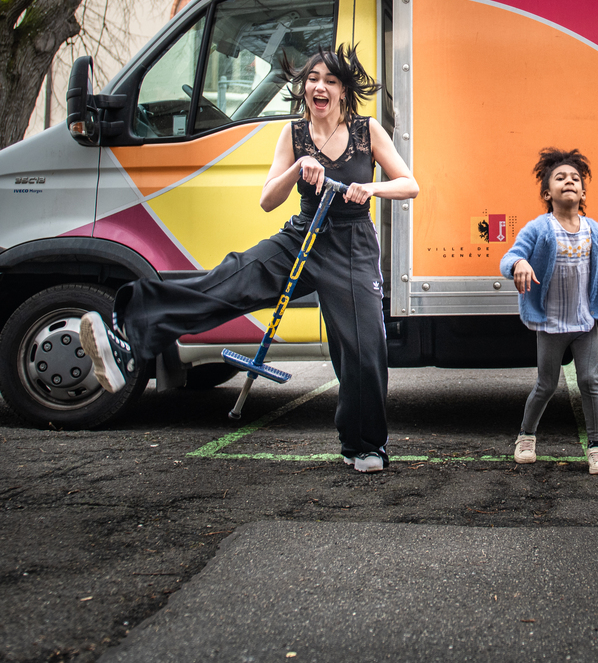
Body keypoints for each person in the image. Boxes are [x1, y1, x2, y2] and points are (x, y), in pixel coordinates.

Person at [80, 45, 419, 473]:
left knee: (364, 349)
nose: (320, 87)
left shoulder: (366, 131)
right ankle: (127, 332)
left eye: (331, 81)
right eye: (314, 79)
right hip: (302, 236)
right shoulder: (293, 134)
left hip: (352, 245)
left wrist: (371, 189)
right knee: (229, 281)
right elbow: (266, 200)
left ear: (343, 91)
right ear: (304, 88)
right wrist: (298, 169)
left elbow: (410, 184)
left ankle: (365, 444)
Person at [500, 148, 598, 476]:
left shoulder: (594, 231)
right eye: (560, 178)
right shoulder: (538, 228)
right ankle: (526, 436)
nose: (569, 181)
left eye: (575, 178)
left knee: (590, 381)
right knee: (546, 385)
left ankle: (597, 447)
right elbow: (509, 256)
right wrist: (519, 263)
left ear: (583, 192)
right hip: (551, 323)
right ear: (548, 193)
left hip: (585, 322)